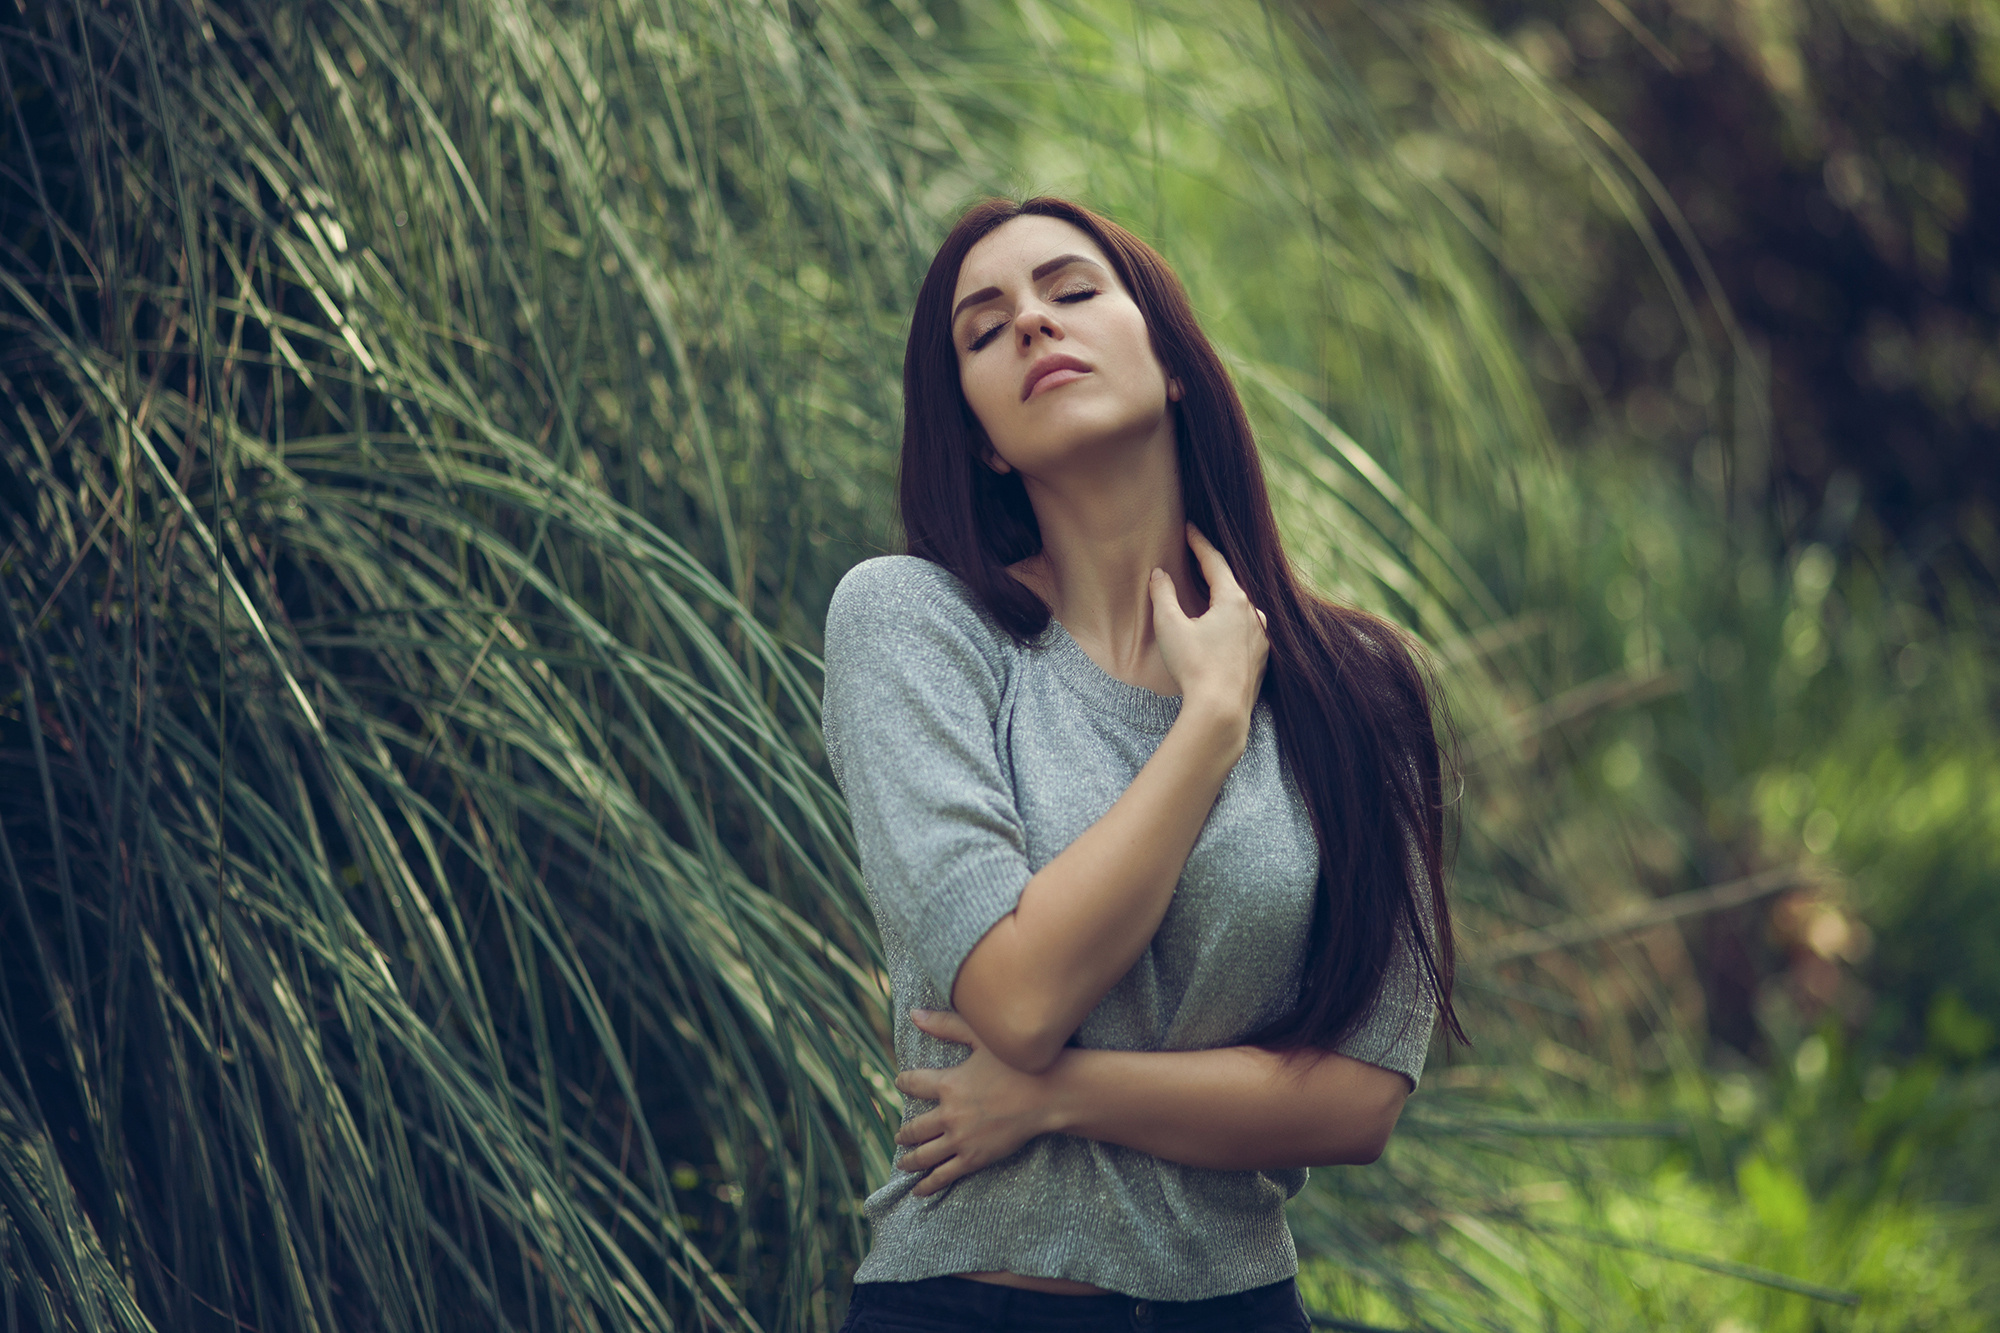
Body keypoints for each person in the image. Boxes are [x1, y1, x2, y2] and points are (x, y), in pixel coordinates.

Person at [820, 197, 1461, 1331]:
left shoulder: (1359, 689)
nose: (1029, 323)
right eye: (982, 327)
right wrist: (1208, 719)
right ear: (976, 434)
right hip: (966, 1304)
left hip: (1233, 1307)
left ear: (1167, 359)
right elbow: (1016, 997)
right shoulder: (915, 625)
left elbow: (1357, 1097)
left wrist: (1063, 1094)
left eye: (1070, 291)